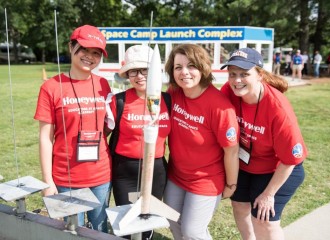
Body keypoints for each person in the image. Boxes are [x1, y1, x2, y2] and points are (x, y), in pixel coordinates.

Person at [220, 48, 307, 240]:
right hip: (246, 162)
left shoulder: (278, 109)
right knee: (239, 206)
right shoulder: (228, 91)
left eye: (244, 74)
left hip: (278, 168)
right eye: (232, 74)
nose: (237, 80)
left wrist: (269, 194)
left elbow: (290, 160)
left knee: (263, 219)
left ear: (259, 74)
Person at [34, 25, 112, 233]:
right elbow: (45, 138)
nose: (89, 57)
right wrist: (47, 181)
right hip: (65, 178)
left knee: (99, 231)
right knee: (70, 232)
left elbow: (106, 127)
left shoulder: (104, 84)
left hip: (101, 176)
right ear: (71, 46)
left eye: (96, 53)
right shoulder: (51, 87)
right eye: (84, 49)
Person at [163, 44, 239, 239]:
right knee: (172, 221)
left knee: (193, 231)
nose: (184, 72)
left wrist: (231, 185)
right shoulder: (173, 93)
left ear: (203, 68)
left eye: (191, 66)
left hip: (206, 179)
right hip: (176, 175)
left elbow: (231, 151)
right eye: (178, 67)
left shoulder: (219, 107)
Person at [105, 45, 170, 240]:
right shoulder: (119, 101)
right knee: (128, 223)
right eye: (134, 71)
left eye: (145, 70)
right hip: (125, 171)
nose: (140, 75)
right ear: (127, 74)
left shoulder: (168, 100)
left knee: (147, 221)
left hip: (156, 170)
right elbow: (103, 134)